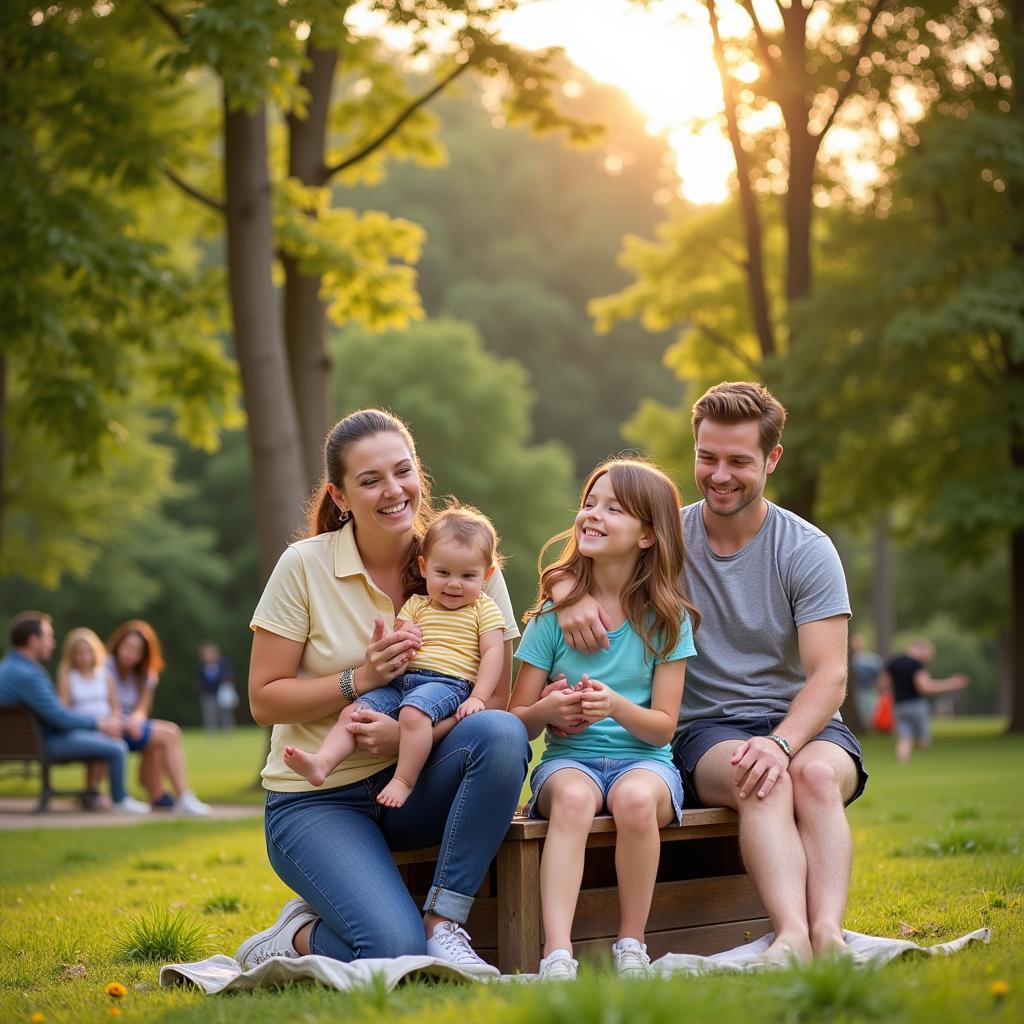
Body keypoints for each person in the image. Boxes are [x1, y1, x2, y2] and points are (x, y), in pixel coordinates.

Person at [552, 381, 868, 963]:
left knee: (816, 779)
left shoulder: (806, 548)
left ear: (772, 459)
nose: (720, 475)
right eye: (707, 458)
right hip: (710, 728)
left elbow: (829, 678)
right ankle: (792, 938)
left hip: (806, 723)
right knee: (759, 777)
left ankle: (829, 935)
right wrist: (567, 594)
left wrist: (781, 742)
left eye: (739, 461)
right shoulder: (669, 537)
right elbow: (592, 554)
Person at [235, 408, 529, 976]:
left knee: (501, 732)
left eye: (403, 472)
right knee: (393, 951)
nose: (393, 491)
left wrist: (408, 733)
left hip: (417, 785)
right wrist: (359, 681)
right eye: (370, 481)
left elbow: (493, 700)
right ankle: (295, 938)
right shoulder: (305, 566)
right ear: (340, 496)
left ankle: (444, 922)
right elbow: (263, 699)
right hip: (317, 800)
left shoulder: (466, 556)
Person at [509, 459, 699, 980]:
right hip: (570, 761)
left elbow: (663, 726)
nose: (593, 514)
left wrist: (615, 705)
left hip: (647, 762)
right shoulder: (551, 619)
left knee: (636, 801)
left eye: (613, 508)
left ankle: (631, 945)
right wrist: (548, 712)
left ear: (647, 535)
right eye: (590, 502)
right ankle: (558, 953)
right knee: (571, 800)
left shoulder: (667, 621)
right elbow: (516, 721)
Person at [283, 505, 507, 809]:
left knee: (413, 715)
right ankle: (323, 762)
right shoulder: (417, 604)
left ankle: (403, 780)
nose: (454, 584)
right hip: (404, 682)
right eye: (443, 573)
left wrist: (478, 697)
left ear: (487, 575)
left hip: (447, 684)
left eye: (468, 575)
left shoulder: (483, 608)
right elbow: (397, 633)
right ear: (424, 567)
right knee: (356, 711)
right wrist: (403, 635)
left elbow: (493, 652)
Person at [0, 612, 150, 814]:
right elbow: (59, 717)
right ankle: (120, 800)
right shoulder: (28, 674)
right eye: (48, 637)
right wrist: (99, 723)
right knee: (117, 748)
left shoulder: (8, 668)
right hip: (45, 743)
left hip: (25, 743)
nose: (52, 643)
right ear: (33, 641)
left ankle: (94, 795)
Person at [107, 620, 210, 816]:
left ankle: (158, 795)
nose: (130, 654)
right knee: (170, 733)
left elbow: (142, 708)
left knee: (160, 739)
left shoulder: (146, 675)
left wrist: (136, 719)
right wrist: (126, 720)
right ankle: (183, 797)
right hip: (111, 724)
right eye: (128, 647)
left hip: (131, 726)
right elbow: (109, 705)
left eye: (137, 650)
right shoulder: (106, 667)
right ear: (118, 644)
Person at [56, 626, 124, 808]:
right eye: (79, 653)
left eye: (88, 652)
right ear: (72, 655)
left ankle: (95, 791)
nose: (84, 657)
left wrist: (114, 722)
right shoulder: (68, 677)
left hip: (107, 725)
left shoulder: (104, 675)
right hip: (84, 727)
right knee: (101, 740)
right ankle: (94, 791)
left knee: (109, 737)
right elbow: (62, 708)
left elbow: (115, 706)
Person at [884, 639, 969, 763]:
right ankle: (922, 764)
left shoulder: (894, 662)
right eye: (928, 656)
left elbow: (883, 684)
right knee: (923, 740)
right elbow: (925, 688)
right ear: (921, 650)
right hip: (916, 705)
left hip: (899, 706)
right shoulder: (916, 665)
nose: (928, 660)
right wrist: (951, 684)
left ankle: (903, 764)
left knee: (904, 738)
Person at [197, 642, 237, 733]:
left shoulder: (223, 663)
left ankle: (229, 731)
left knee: (225, 713)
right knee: (209, 714)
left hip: (222, 693)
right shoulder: (202, 666)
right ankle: (211, 732)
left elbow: (229, 676)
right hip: (208, 694)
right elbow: (199, 680)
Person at [850, 634, 884, 729]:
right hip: (854, 691)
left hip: (869, 690)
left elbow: (880, 677)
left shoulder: (872, 659)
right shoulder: (847, 659)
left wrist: (880, 691)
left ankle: (869, 729)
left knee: (871, 712)